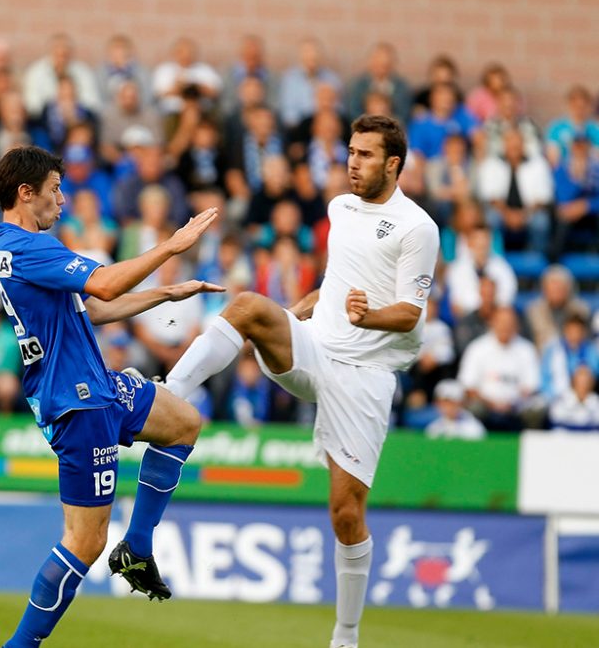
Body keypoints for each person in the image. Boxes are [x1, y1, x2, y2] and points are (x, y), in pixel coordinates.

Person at [161, 115, 439, 648]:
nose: (352, 162)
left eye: (365, 155)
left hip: (366, 375)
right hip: (317, 350)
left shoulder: (416, 228)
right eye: (350, 152)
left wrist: (367, 317)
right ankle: (166, 394)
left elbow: (409, 314)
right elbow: (335, 283)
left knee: (345, 513)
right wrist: (295, 312)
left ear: (393, 164)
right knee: (246, 306)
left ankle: (346, 635)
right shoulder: (340, 207)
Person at [0, 146, 222, 647]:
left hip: (98, 385)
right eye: (54, 189)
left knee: (183, 422)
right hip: (77, 403)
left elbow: (89, 311)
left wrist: (164, 294)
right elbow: (105, 284)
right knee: (85, 541)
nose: (63, 197)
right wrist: (171, 246)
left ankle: (137, 546)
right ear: (25, 194)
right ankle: (20, 645)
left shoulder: (22, 248)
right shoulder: (31, 248)